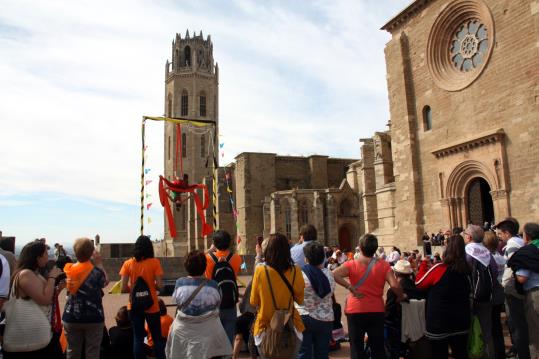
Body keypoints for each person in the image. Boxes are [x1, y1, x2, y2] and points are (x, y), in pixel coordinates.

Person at [332, 234, 404, 359]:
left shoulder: (351, 264)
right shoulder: (384, 265)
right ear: (375, 248)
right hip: (376, 310)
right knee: (377, 347)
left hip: (355, 309)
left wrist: (350, 287)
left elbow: (334, 274)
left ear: (360, 247)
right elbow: (395, 286)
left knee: (356, 348)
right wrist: (400, 296)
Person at [3, 241, 65, 358]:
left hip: (38, 341)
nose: (48, 256)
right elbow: (44, 299)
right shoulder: (26, 274)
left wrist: (59, 288)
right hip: (28, 345)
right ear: (37, 257)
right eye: (45, 253)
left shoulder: (34, 274)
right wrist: (52, 277)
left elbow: (42, 297)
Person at [167, 250, 231, 358]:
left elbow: (176, 301)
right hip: (208, 332)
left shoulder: (180, 283)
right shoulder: (213, 285)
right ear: (204, 266)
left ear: (186, 266)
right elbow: (217, 303)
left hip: (183, 331)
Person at [250, 233, 305, 357]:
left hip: (265, 329)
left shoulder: (260, 270)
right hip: (291, 328)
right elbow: (300, 300)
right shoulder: (296, 270)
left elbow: (253, 301)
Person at [415, 234, 470, 359]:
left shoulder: (440, 268)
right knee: (461, 353)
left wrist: (424, 264)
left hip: (439, 323)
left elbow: (419, 283)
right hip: (461, 320)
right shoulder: (466, 269)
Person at [62, 238, 108, 359]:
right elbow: (105, 282)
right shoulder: (95, 272)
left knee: (72, 351)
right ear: (91, 253)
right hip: (93, 317)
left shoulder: (69, 269)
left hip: (71, 316)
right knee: (92, 352)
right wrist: (99, 264)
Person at [120, 235, 165, 359]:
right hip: (152, 305)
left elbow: (123, 288)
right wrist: (152, 287)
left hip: (134, 306)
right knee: (157, 338)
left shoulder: (128, 264)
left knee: (138, 338)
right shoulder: (155, 262)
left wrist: (134, 291)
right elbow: (160, 286)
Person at [496, 217, 530, 359]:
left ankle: (521, 353)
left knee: (516, 323)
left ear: (507, 233)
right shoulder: (520, 241)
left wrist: (507, 284)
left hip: (513, 289)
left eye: (501, 233)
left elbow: (512, 267)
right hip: (519, 288)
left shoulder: (511, 245)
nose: (500, 236)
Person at [463, 224, 497, 359]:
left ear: (469, 237)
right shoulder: (487, 252)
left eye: (465, 233)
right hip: (486, 296)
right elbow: (494, 272)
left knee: (470, 331)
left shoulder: (466, 253)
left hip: (470, 298)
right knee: (486, 330)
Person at [296, 242, 336, 359]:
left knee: (303, 353)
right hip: (325, 318)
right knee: (322, 353)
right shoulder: (329, 274)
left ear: (306, 258)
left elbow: (296, 295)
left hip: (304, 316)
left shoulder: (300, 275)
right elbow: (330, 293)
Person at [205, 230, 241, 345]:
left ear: (214, 243)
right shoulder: (236, 258)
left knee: (213, 342)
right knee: (228, 341)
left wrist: (210, 250)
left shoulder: (207, 258)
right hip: (230, 301)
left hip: (213, 302)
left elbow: (195, 258)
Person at [509, 222, 539, 358]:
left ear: (527, 237)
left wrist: (514, 274)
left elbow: (522, 278)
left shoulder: (527, 252)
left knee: (535, 333)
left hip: (535, 294)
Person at [384, 259, 425, 359]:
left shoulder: (394, 291)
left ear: (395, 273)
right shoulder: (418, 289)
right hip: (417, 328)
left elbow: (388, 314)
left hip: (398, 329)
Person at [483, 230, 506, 359]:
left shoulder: (488, 258)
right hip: (499, 294)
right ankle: (500, 353)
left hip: (491, 295)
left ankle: (492, 354)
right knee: (497, 328)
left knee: (489, 328)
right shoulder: (500, 257)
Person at [233, 280, 257, 359]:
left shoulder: (250, 283)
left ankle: (234, 357)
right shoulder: (266, 284)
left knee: (238, 337)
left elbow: (242, 304)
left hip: (245, 316)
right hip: (255, 318)